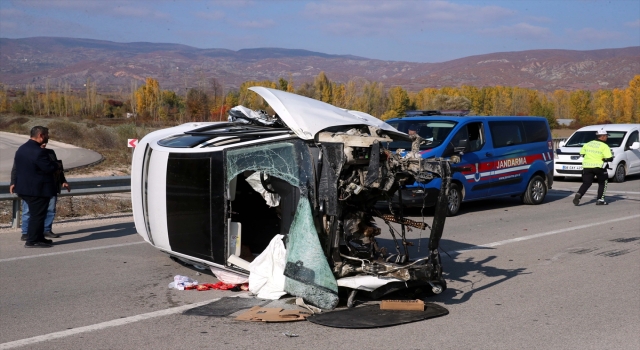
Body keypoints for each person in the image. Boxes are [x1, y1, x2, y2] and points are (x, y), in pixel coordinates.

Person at [12, 126, 61, 248]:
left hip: (25, 188)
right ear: (41, 136)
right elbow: (48, 168)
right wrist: (56, 165)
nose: (48, 137)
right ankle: (32, 240)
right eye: (47, 134)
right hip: (37, 190)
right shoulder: (38, 151)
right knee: (37, 216)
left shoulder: (22, 149)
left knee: (38, 214)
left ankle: (39, 238)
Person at [10, 142, 70, 241]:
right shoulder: (28, 152)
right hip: (33, 188)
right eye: (42, 142)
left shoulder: (50, 153)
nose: (44, 144)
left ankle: (46, 230)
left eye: (45, 143)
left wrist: (63, 181)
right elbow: (16, 169)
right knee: (28, 210)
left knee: (50, 209)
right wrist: (13, 182)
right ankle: (26, 232)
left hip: (50, 186)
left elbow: (58, 169)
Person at [573, 128, 613, 206]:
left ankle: (579, 194)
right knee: (603, 183)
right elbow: (609, 158)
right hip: (599, 167)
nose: (607, 137)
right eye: (606, 136)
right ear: (602, 136)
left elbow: (582, 154)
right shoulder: (604, 146)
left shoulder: (588, 144)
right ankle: (600, 200)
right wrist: (604, 158)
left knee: (586, 183)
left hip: (587, 166)